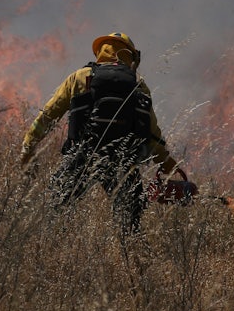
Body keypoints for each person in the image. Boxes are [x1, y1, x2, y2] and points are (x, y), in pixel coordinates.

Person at [19, 32, 180, 235]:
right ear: (131, 56)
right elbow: (151, 132)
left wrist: (29, 144)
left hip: (83, 154)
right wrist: (167, 162)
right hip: (123, 160)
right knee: (131, 218)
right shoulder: (138, 86)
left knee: (57, 207)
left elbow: (49, 115)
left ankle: (50, 246)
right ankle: (132, 256)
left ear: (100, 52)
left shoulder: (79, 77)